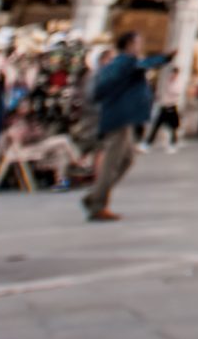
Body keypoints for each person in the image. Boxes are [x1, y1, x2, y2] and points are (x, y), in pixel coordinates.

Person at [81, 31, 170, 222]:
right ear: (129, 44)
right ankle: (97, 204)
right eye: (138, 42)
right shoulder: (125, 62)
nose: (141, 45)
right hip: (118, 118)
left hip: (122, 118)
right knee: (111, 163)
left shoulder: (121, 64)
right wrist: (166, 57)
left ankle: (94, 196)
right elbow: (145, 64)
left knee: (127, 159)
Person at [148, 60, 188, 150]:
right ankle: (148, 142)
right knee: (157, 125)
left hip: (172, 106)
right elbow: (162, 92)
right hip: (164, 106)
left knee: (173, 126)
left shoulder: (178, 83)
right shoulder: (167, 81)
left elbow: (176, 92)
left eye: (174, 74)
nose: (172, 75)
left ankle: (173, 142)